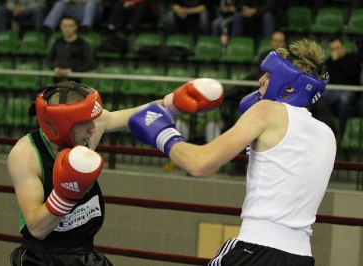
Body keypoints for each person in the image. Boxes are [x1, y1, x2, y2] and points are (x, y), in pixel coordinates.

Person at [128, 39, 337, 265]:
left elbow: (200, 164)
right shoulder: (327, 135)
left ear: (288, 87)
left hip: (255, 250)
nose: (260, 80)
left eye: (268, 76)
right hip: (301, 257)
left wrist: (162, 133)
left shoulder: (267, 111)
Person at [7, 77, 224, 265]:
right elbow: (37, 229)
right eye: (85, 123)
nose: (94, 129)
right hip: (41, 257)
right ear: (61, 126)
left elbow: (136, 115)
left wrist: (174, 103)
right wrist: (65, 195)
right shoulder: (26, 155)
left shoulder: (87, 128)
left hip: (84, 253)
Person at [312, 36, 363, 141]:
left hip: (350, 91)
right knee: (317, 96)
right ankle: (326, 127)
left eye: (338, 48)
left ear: (343, 47)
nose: (336, 51)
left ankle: (341, 131)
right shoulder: (330, 62)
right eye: (333, 49)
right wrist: (333, 62)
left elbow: (351, 74)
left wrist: (337, 62)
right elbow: (328, 79)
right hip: (333, 92)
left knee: (344, 99)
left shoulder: (353, 58)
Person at [44, 16, 96, 84]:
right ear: (61, 27)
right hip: (57, 83)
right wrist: (54, 68)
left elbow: (90, 64)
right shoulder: (58, 42)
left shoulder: (82, 44)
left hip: (74, 83)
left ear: (75, 27)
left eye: (70, 26)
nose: (67, 29)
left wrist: (72, 70)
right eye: (64, 26)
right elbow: (47, 60)